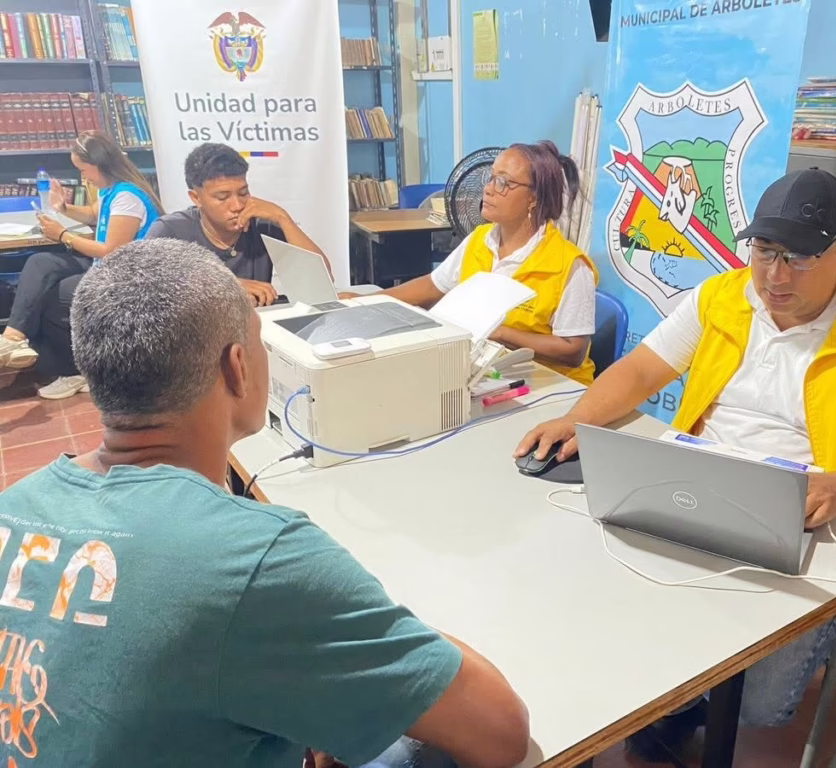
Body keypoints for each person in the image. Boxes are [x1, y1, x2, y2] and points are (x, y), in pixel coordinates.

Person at [0, 237, 530, 768]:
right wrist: (347, 626)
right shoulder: (255, 559)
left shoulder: (15, 503)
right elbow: (501, 733)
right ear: (238, 367)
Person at [515, 168, 836, 756]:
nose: (775, 276)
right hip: (702, 482)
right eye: (764, 251)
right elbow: (640, 370)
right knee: (585, 581)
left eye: (799, 257)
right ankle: (667, 694)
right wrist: (579, 418)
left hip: (808, 518)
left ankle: (682, 699)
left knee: (758, 701)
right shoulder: (723, 296)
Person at [347, 141, 599, 385]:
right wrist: (366, 301)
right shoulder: (480, 239)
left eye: (504, 183)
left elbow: (573, 350)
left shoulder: (570, 265)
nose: (488, 189)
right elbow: (432, 285)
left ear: (534, 198)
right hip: (493, 371)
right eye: (491, 177)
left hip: (553, 386)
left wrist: (499, 332)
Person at [0, 131, 163, 399]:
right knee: (40, 263)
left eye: (83, 169)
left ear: (100, 165)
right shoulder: (110, 189)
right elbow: (93, 214)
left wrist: (63, 235)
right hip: (105, 266)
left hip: (125, 276)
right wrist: (63, 208)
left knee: (51, 298)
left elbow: (111, 251)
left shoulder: (127, 197)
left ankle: (73, 371)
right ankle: (12, 337)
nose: (83, 176)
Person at [145, 142, 331, 307]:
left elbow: (322, 281)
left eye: (243, 193)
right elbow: (142, 290)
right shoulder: (171, 230)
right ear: (196, 198)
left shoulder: (262, 224)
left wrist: (283, 218)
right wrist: (226, 286)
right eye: (222, 197)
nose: (237, 206)